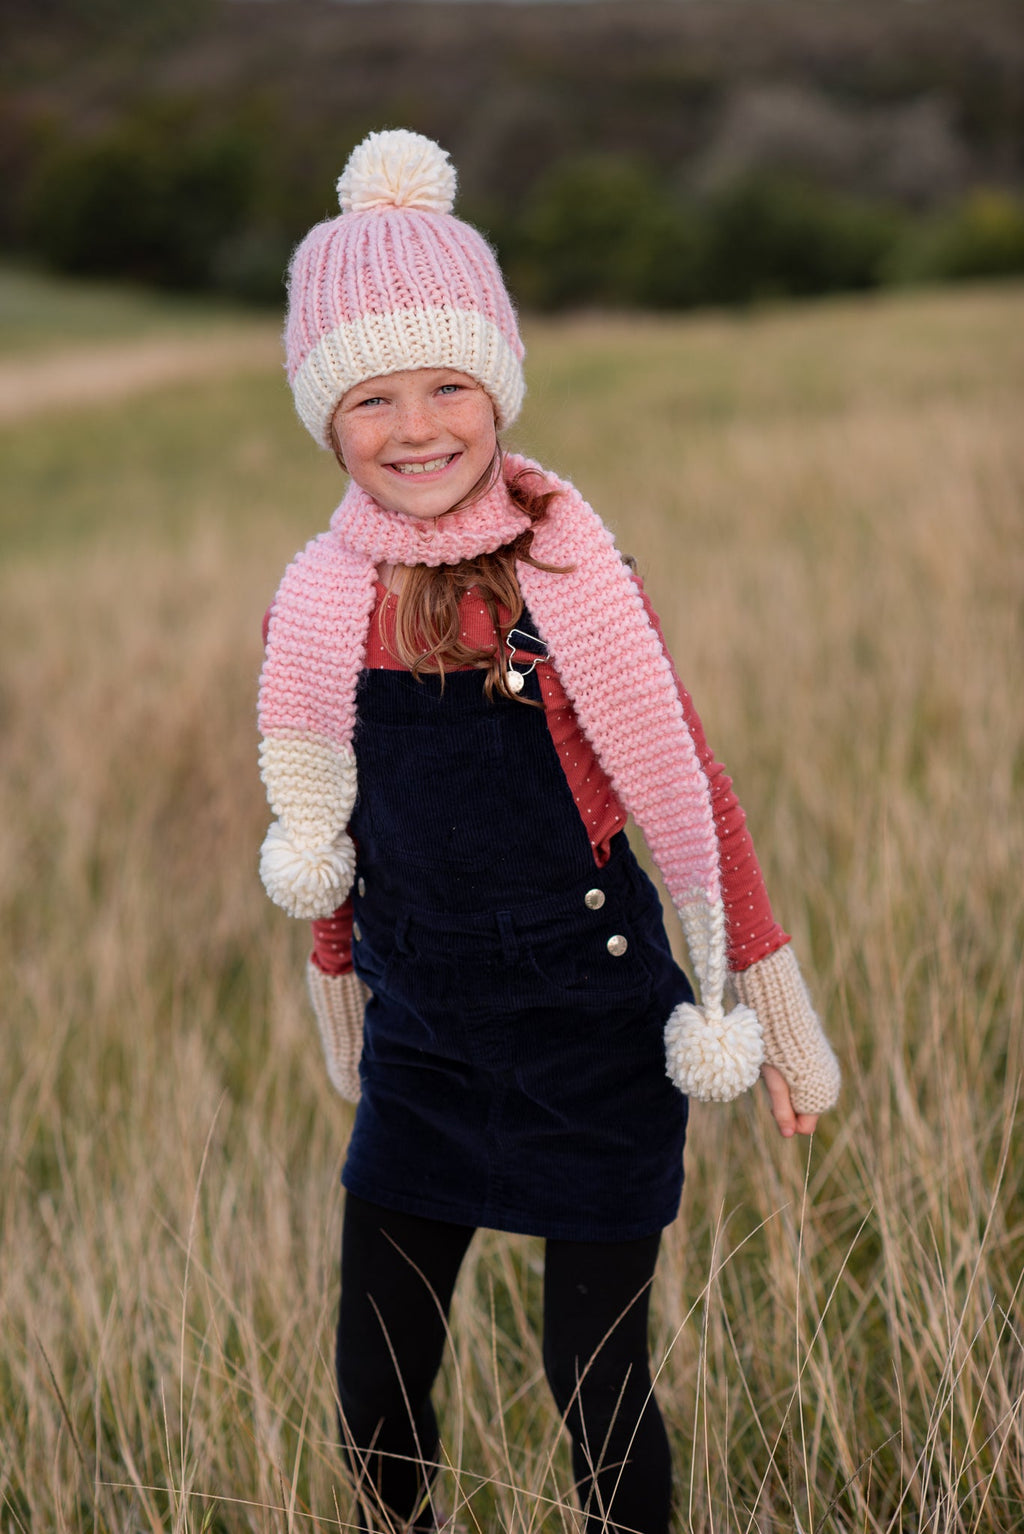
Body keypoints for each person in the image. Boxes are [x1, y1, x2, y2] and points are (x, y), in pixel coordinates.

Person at [257, 129, 840, 1534]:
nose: (417, 426)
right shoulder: (322, 605)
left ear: (500, 386)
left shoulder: (568, 580)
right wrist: (344, 992)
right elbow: (326, 833)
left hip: (594, 1029)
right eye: (373, 396)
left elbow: (692, 793)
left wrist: (776, 1014)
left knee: (597, 1380)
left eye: (449, 383)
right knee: (377, 1372)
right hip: (425, 1040)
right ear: (326, 418)